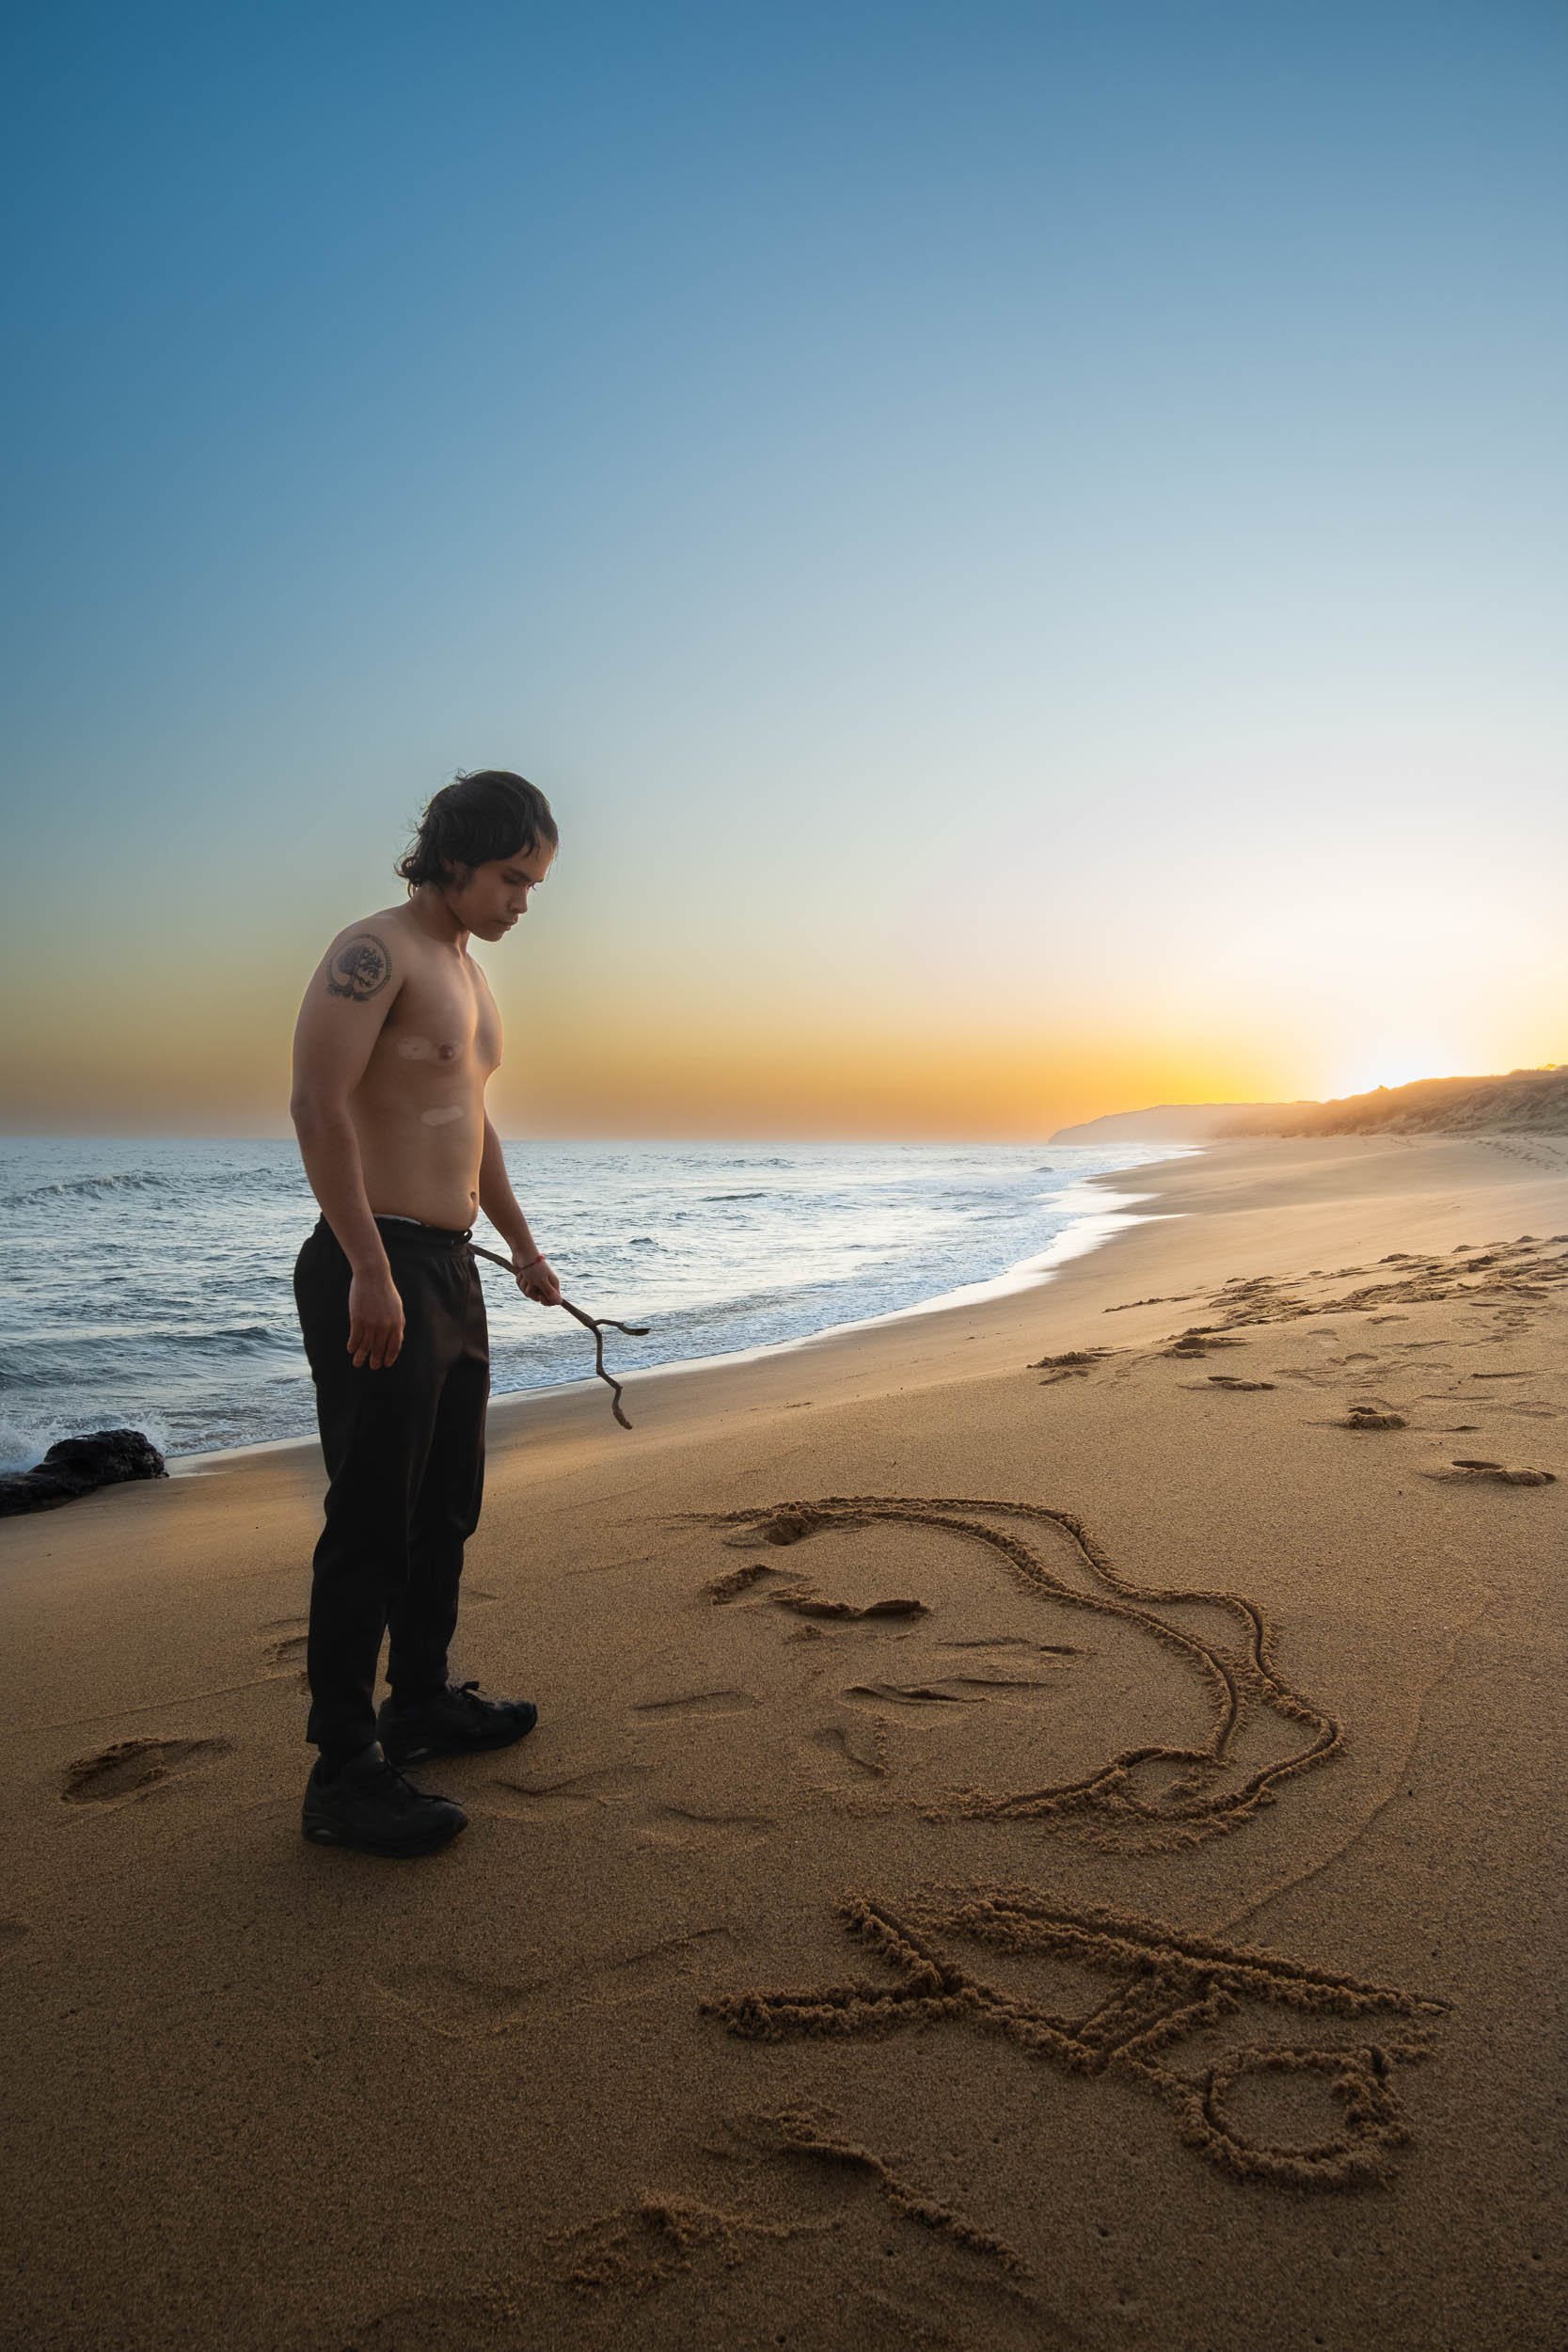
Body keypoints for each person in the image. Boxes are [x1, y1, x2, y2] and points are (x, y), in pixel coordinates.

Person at [289, 769, 562, 1857]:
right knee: (369, 1523)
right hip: (376, 1265)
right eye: (511, 877)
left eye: (533, 882)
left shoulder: (468, 976)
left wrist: (523, 1247)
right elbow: (316, 1104)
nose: (522, 901)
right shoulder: (376, 950)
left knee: (445, 1506)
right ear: (454, 858)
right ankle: (343, 1771)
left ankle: (422, 1703)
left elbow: (470, 1120)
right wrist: (366, 1265)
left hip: (451, 1267)